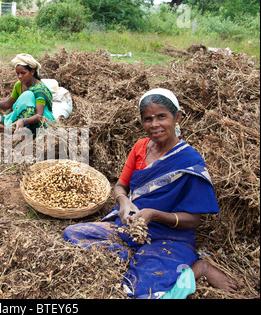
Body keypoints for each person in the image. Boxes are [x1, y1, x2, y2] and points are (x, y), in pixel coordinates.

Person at [63, 88, 237, 299]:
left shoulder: (190, 161)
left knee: (149, 293)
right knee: (73, 234)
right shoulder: (140, 147)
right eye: (148, 119)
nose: (154, 124)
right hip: (130, 227)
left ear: (177, 117)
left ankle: (198, 268)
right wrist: (124, 201)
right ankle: (131, 253)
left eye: (162, 116)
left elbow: (192, 221)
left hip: (168, 237)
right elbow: (120, 185)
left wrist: (153, 215)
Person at [0, 53, 55, 135]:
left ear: (32, 71)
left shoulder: (40, 90)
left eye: (23, 73)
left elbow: (39, 116)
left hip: (36, 121)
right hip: (22, 117)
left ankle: (19, 129)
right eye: (17, 73)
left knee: (28, 95)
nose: (19, 76)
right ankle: (15, 129)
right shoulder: (19, 85)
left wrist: (23, 121)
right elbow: (8, 104)